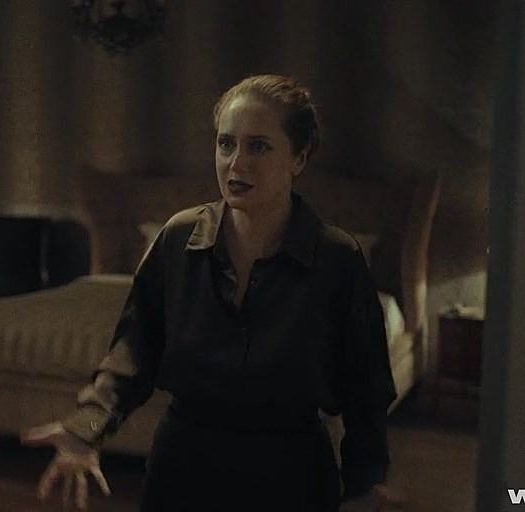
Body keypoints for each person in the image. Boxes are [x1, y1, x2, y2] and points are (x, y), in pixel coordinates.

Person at [22, 74, 399, 511]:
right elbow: (134, 350)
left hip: (290, 472)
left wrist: (364, 486)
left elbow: (366, 389)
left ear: (298, 158)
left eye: (259, 146)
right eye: (226, 144)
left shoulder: (337, 257)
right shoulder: (178, 237)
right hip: (183, 465)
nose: (237, 163)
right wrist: (86, 428)